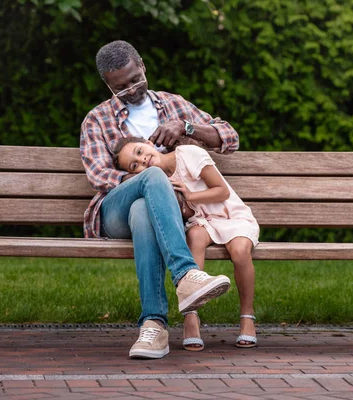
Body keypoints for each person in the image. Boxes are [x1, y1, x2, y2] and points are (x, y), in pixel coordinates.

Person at [79, 40, 240, 359]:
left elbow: (230, 137)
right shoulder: (97, 119)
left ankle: (153, 326)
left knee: (144, 210)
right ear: (108, 85)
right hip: (114, 211)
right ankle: (186, 275)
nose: (131, 89)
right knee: (149, 179)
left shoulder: (174, 106)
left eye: (135, 79)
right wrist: (150, 180)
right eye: (120, 88)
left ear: (142, 65)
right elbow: (99, 174)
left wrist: (187, 126)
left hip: (164, 213)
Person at [113, 137, 259, 350]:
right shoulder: (159, 181)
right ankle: (191, 318)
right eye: (135, 165)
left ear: (148, 142)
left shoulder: (188, 153)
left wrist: (190, 195)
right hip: (203, 221)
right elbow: (186, 213)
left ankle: (247, 317)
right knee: (195, 237)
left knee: (239, 251)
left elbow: (222, 191)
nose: (142, 160)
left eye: (139, 151)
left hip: (231, 216)